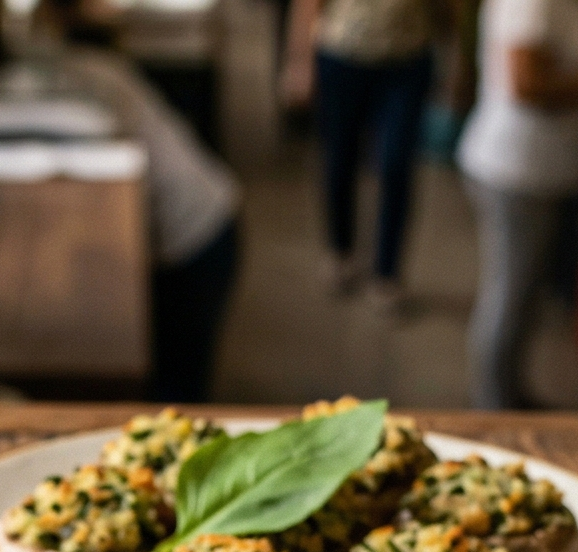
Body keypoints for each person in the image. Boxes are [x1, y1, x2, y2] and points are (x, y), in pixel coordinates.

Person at [42, 8, 244, 401]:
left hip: (201, 234)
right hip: (205, 219)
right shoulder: (95, 67)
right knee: (172, 376)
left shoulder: (88, 78)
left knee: (177, 387)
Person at [455, 0, 578, 408]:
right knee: (510, 294)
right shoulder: (530, 5)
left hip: (547, 170)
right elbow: (527, 84)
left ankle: (509, 394)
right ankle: (493, 408)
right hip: (516, 170)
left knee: (526, 295)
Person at [284, 0, 439, 302]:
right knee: (340, 159)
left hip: (406, 60)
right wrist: (300, 62)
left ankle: (387, 271)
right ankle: (341, 251)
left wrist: (460, 57)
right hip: (342, 55)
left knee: (396, 164)